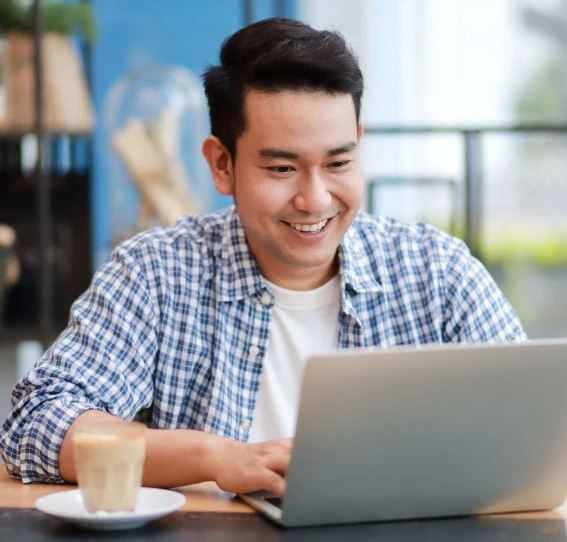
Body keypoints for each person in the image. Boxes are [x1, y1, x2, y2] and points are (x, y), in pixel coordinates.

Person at [0, 17, 525, 496]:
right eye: (282, 169)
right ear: (222, 164)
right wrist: (213, 457)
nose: (315, 199)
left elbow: (535, 421)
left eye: (338, 162)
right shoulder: (156, 273)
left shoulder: (438, 271)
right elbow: (35, 424)